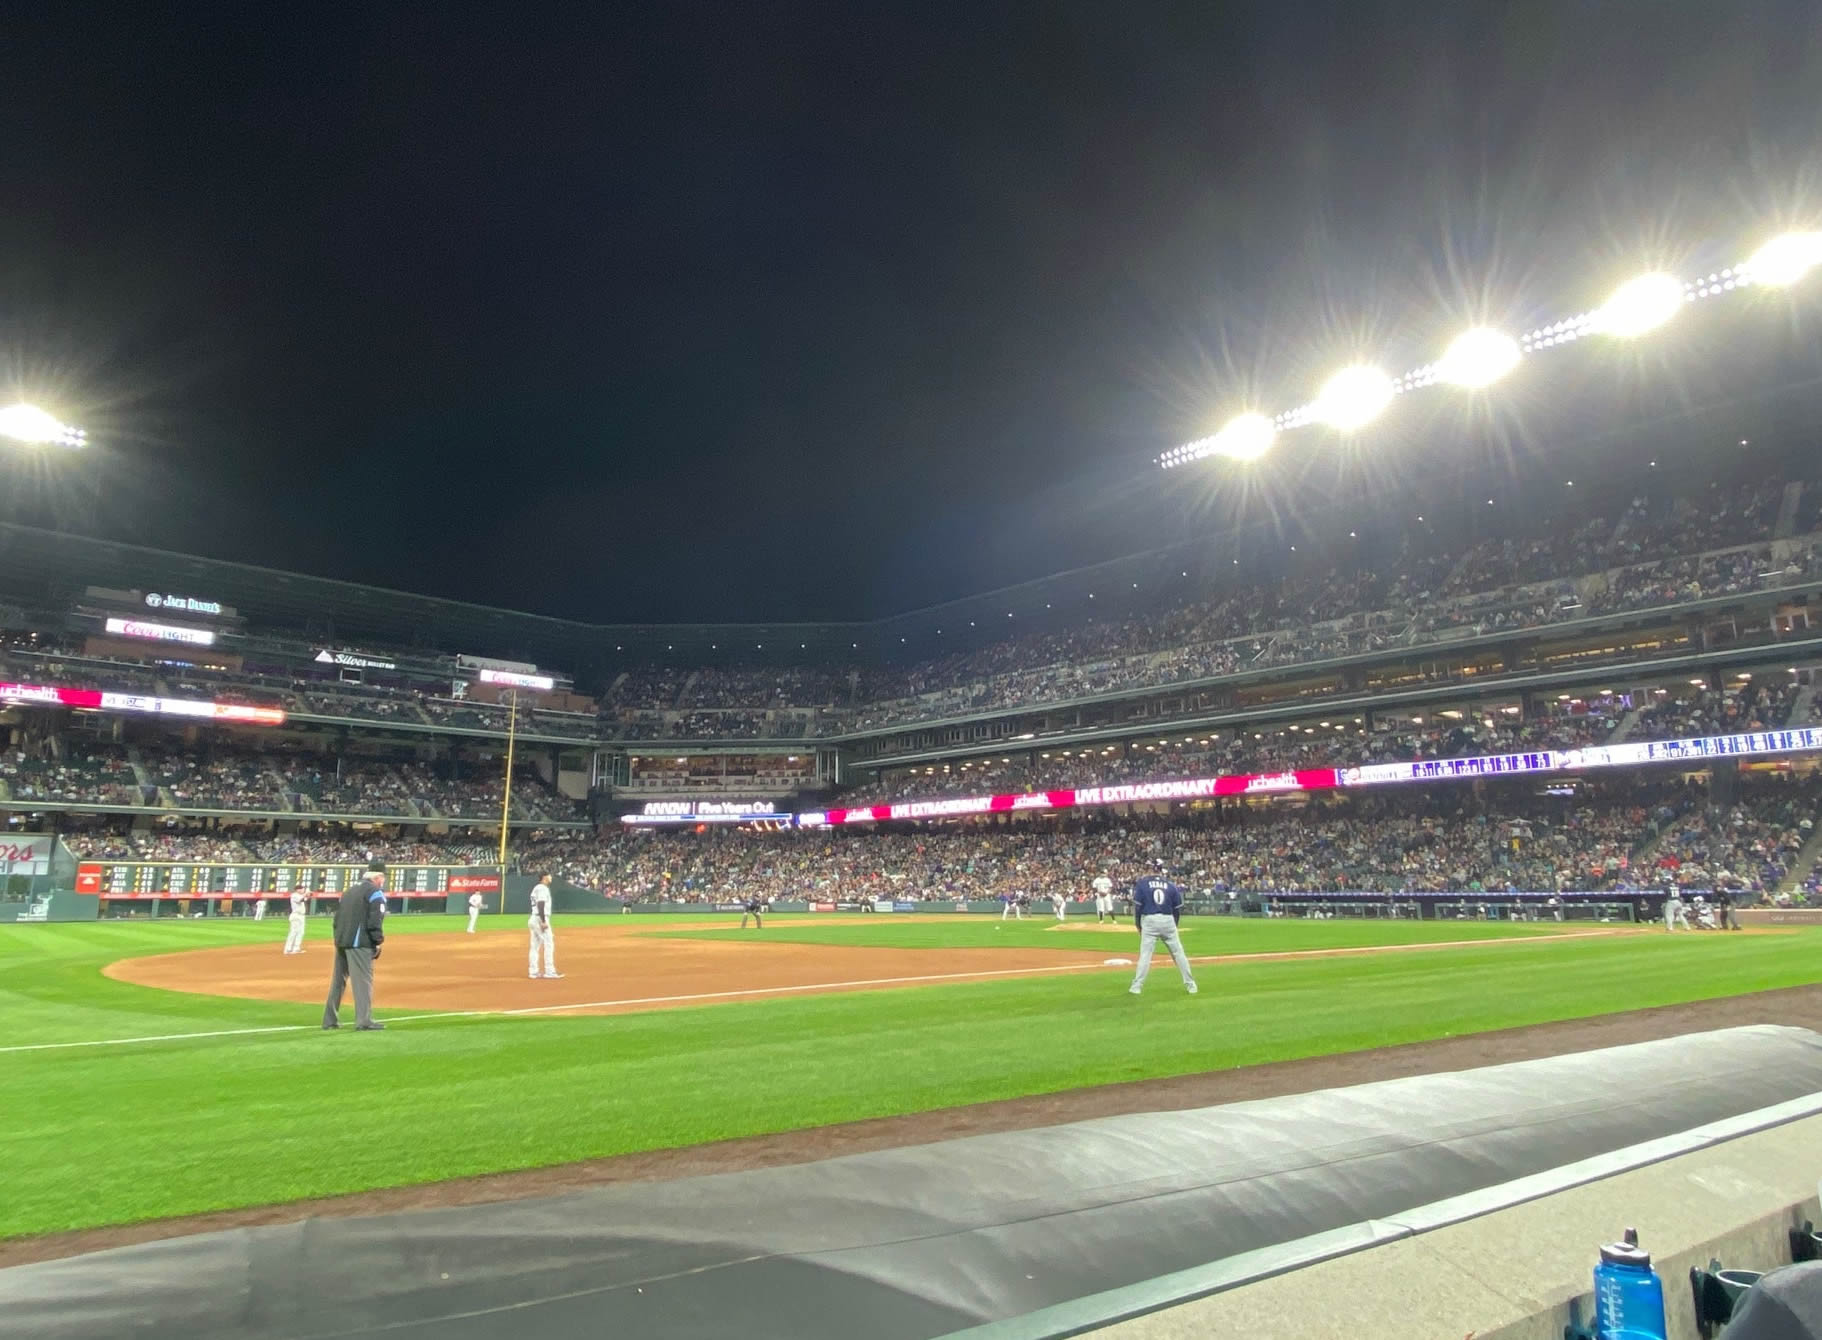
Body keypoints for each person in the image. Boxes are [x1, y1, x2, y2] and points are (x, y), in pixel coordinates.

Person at [323, 861, 387, 1031]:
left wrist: (338, 939)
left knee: (338, 981)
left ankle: (329, 1020)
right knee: (363, 982)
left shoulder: (349, 891)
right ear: (378, 877)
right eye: (383, 878)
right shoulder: (375, 893)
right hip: (360, 943)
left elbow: (336, 919)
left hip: (342, 941)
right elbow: (375, 921)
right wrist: (377, 942)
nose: (383, 881)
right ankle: (363, 1021)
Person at [1129, 861, 1197, 996]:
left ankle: (1136, 987)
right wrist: (1174, 925)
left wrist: (1138, 925)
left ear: (1150, 870)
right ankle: (1191, 985)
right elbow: (1177, 909)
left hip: (1150, 919)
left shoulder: (1143, 884)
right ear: (1161, 871)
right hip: (1168, 919)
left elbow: (1138, 908)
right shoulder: (1170, 885)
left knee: (1145, 955)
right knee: (1179, 953)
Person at [528, 873, 560, 979]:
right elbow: (540, 903)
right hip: (540, 918)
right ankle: (549, 971)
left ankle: (533, 972)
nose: (551, 878)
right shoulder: (542, 888)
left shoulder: (536, 888)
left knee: (534, 947)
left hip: (533, 918)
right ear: (544, 877)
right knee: (549, 944)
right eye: (549, 876)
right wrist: (543, 921)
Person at [283, 889, 309, 954]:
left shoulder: (300, 896)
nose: (303, 890)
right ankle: (288, 949)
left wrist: (308, 895)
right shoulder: (294, 895)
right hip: (296, 915)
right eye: (302, 889)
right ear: (298, 890)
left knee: (301, 932)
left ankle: (296, 948)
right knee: (293, 932)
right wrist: (305, 894)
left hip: (301, 916)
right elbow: (300, 900)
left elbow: (304, 899)